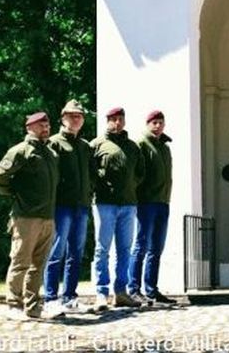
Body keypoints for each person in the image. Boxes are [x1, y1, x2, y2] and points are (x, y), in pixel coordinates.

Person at [0, 112, 59, 320]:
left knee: (38, 264)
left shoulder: (50, 153)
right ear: (29, 127)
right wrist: (14, 193)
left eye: (47, 124)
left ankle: (33, 306)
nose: (45, 128)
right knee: (21, 262)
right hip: (26, 218)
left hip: (47, 217)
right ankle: (14, 304)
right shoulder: (21, 151)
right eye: (40, 125)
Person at [91, 107, 145, 310]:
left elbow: (140, 173)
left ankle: (120, 291)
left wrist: (130, 186)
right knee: (102, 249)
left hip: (128, 205)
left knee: (125, 250)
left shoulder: (132, 147)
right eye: (113, 119)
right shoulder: (97, 145)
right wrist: (103, 185)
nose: (117, 122)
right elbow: (91, 173)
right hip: (105, 204)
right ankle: (101, 293)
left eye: (120, 119)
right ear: (107, 121)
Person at [43, 100, 91, 315]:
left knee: (76, 253)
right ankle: (50, 298)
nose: (76, 119)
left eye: (79, 116)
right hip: (61, 206)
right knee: (56, 251)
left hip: (81, 205)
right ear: (62, 118)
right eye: (71, 115)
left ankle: (70, 297)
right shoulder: (54, 143)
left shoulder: (84, 146)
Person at [128, 110, 175, 306]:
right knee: (141, 245)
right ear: (148, 124)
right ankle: (133, 288)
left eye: (160, 122)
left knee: (156, 248)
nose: (157, 126)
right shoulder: (141, 144)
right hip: (146, 202)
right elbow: (137, 174)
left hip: (162, 202)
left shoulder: (164, 147)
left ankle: (152, 290)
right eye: (154, 122)